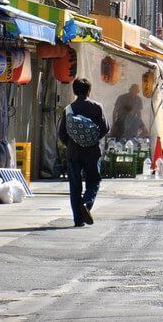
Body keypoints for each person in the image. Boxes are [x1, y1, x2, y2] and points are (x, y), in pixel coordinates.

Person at [58, 78, 110, 227]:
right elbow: (105, 128)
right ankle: (86, 204)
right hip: (92, 151)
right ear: (89, 91)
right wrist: (93, 139)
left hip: (73, 152)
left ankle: (78, 220)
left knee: (75, 185)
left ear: (74, 91)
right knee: (93, 180)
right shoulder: (97, 107)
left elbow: (62, 133)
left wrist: (71, 144)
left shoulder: (68, 109)